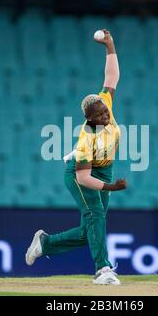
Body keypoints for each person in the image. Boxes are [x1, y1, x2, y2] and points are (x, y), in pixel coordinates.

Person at [25, 30, 127, 285]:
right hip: (81, 175)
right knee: (96, 215)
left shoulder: (104, 103)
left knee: (88, 232)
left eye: (105, 111)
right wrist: (112, 187)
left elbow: (112, 76)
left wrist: (110, 45)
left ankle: (45, 243)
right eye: (100, 115)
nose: (106, 115)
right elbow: (83, 178)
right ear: (89, 119)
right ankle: (103, 270)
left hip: (103, 169)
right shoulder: (86, 138)